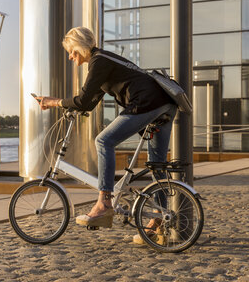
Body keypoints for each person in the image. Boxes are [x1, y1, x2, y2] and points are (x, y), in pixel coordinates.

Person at [37, 26, 177, 243]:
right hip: (164, 104)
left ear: (81, 46)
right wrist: (68, 106)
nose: (69, 55)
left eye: (71, 50)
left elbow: (83, 100)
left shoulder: (98, 61)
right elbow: (89, 104)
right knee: (156, 163)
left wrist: (54, 102)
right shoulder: (103, 62)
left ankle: (104, 203)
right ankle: (158, 222)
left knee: (103, 140)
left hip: (147, 103)